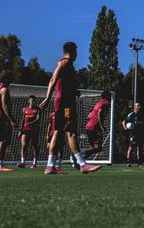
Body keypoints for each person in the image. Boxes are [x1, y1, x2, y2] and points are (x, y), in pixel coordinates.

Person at [38, 41, 101, 175]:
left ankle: (50, 166)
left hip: (63, 103)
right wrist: (48, 98)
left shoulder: (68, 65)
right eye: (76, 52)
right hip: (65, 105)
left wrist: (74, 91)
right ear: (73, 52)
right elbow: (53, 79)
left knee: (57, 132)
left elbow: (63, 84)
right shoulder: (65, 62)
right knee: (71, 132)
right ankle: (82, 164)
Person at [17, 95, 43, 169]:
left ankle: (34, 163)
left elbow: (38, 119)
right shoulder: (24, 109)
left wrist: (30, 123)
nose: (33, 102)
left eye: (34, 101)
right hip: (25, 130)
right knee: (24, 145)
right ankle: (23, 163)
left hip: (34, 130)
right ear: (29, 101)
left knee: (34, 146)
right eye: (32, 101)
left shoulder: (37, 110)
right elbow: (23, 119)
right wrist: (20, 130)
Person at [83, 93, 111, 159]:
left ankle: (80, 161)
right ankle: (80, 153)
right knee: (98, 148)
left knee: (92, 147)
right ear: (107, 96)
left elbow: (88, 116)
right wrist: (101, 126)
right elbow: (99, 113)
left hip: (88, 127)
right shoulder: (106, 103)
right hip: (95, 127)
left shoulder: (98, 103)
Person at [125, 101, 144, 167]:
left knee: (139, 148)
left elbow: (143, 125)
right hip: (133, 134)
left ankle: (139, 163)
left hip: (140, 134)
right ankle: (128, 162)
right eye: (138, 106)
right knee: (131, 147)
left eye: (140, 105)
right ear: (135, 107)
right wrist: (126, 128)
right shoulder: (131, 115)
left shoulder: (141, 115)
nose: (139, 107)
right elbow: (124, 122)